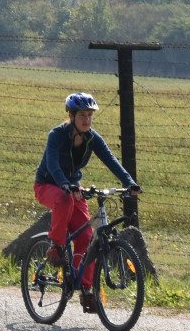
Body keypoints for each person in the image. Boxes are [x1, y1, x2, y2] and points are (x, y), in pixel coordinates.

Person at [34, 92, 138, 313]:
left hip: (73, 189)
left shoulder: (92, 137)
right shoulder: (57, 135)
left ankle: (86, 289)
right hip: (47, 186)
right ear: (71, 116)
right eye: (82, 115)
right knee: (64, 199)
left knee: (87, 238)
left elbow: (110, 159)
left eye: (90, 115)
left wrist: (129, 182)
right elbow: (52, 164)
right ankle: (56, 246)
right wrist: (64, 184)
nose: (87, 120)